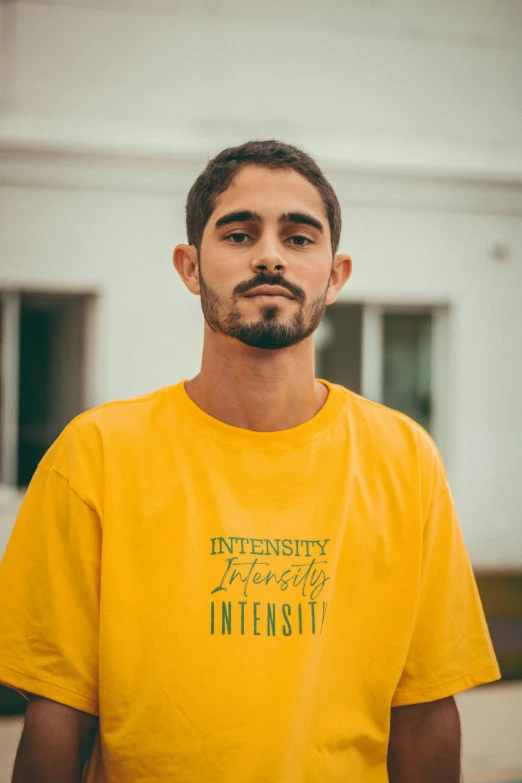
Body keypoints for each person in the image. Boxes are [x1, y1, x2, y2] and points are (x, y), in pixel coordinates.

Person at [0, 140, 500, 783]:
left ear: (336, 273)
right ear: (189, 266)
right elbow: (56, 718)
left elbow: (427, 712)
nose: (269, 255)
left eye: (298, 238)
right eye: (238, 234)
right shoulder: (95, 454)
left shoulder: (404, 459)